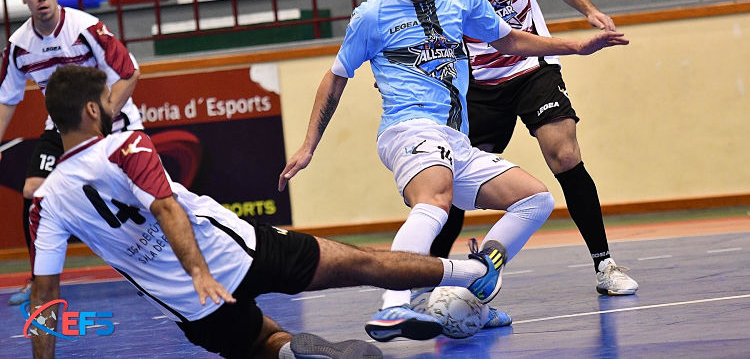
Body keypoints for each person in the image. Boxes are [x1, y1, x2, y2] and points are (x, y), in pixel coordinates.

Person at [278, 0, 628, 342]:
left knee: (535, 200)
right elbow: (336, 76)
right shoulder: (371, 15)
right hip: (408, 132)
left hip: (455, 140)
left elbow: (509, 40)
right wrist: (309, 145)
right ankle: (393, 306)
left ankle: (477, 274)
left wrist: (575, 45)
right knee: (436, 200)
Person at [28, 65, 505, 359]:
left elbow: (44, 295)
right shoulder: (124, 144)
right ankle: (471, 270)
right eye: (109, 99)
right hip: (236, 252)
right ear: (93, 110)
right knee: (363, 263)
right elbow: (167, 207)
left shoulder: (47, 201)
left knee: (260, 343)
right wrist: (199, 270)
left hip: (192, 306)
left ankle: (295, 353)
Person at [421, 0, 639, 296]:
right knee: (452, 180)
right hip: (480, 84)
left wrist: (590, 11)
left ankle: (604, 265)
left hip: (533, 69)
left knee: (564, 153)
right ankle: (427, 277)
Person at [0, 0, 142, 305]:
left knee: (144, 197)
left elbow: (130, 72)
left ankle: (171, 262)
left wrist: (102, 120)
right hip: (61, 129)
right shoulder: (19, 46)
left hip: (112, 123)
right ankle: (38, 280)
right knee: (33, 191)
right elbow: (5, 99)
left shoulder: (86, 27)